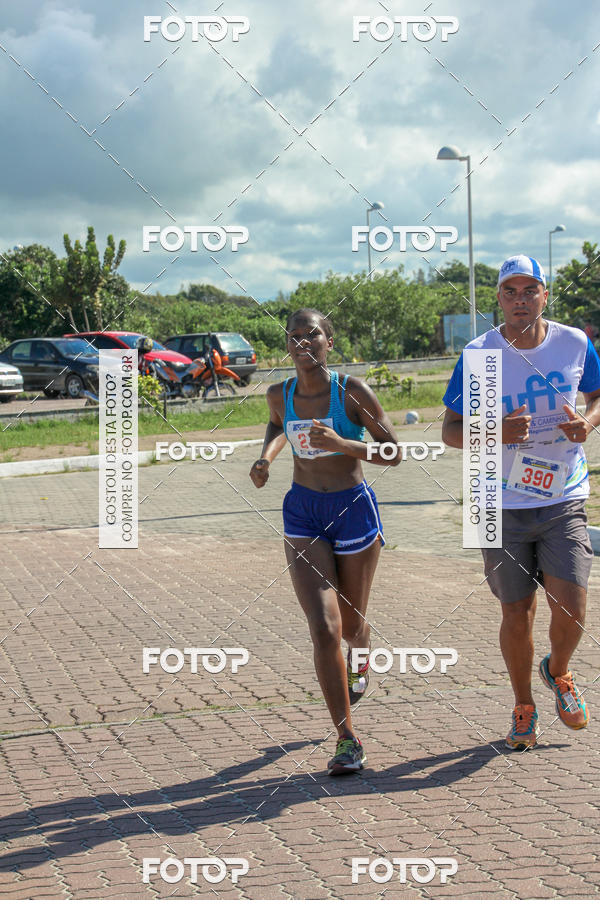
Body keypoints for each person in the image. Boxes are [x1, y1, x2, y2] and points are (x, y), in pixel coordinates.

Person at [442, 255, 600, 750]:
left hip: (563, 494)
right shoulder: (478, 354)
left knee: (571, 608)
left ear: (544, 295)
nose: (519, 300)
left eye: (529, 290)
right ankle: (524, 706)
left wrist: (589, 424)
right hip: (494, 496)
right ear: (498, 299)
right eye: (510, 292)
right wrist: (495, 430)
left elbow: (598, 394)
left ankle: (558, 671)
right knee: (516, 612)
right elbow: (448, 430)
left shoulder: (574, 343)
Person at [249, 308, 400, 774]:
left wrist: (343, 444)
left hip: (353, 510)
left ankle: (363, 648)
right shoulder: (280, 393)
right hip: (303, 513)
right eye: (294, 337)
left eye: (312, 334)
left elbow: (394, 452)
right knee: (323, 628)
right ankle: (347, 738)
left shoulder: (351, 392)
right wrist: (266, 457)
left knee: (351, 627)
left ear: (329, 342)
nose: (302, 343)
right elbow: (277, 425)